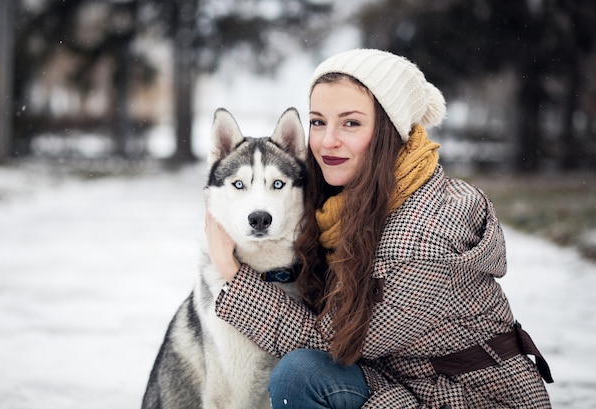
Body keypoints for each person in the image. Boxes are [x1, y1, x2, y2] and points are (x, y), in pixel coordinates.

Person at [205, 49, 553, 409]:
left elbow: (331, 344)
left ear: (388, 129)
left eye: (351, 123)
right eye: (319, 122)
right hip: (409, 382)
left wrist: (231, 272)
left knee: (301, 374)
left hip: (471, 399)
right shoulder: (348, 202)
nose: (328, 141)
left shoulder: (421, 239)